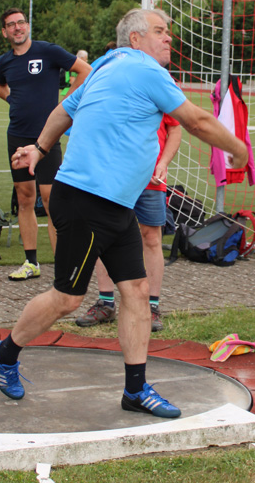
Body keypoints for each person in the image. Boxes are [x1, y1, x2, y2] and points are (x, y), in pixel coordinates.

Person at [0, 7, 247, 419]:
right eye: (160, 31)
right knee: (68, 298)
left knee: (137, 291)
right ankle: (4, 353)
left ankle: (135, 390)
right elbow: (196, 121)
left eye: (168, 32)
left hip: (116, 203)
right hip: (87, 199)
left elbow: (63, 111)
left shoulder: (105, 66)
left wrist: (39, 147)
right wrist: (238, 149)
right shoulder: (141, 67)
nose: (169, 38)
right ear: (136, 39)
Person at [0, 8, 91, 280]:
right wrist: (11, 98)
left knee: (51, 201)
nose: (17, 28)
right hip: (17, 136)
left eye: (20, 23)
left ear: (27, 26)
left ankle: (62, 266)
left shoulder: (47, 51)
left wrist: (66, 102)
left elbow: (85, 71)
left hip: (46, 137)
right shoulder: (4, 62)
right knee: (25, 198)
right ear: (4, 32)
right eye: (11, 25)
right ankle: (31, 262)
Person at [77, 113, 182, 332]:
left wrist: (163, 163)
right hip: (113, 175)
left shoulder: (161, 90)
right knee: (104, 235)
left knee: (151, 238)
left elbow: (174, 128)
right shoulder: (110, 89)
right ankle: (106, 302)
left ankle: (151, 306)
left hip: (151, 178)